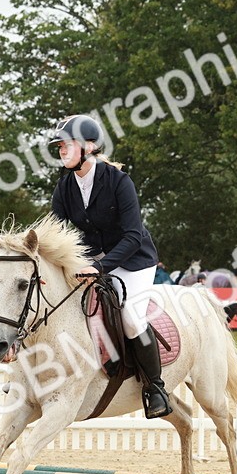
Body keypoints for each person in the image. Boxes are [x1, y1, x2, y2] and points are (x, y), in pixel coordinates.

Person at [49, 114, 170, 418]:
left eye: (66, 145)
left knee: (130, 317)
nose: (61, 150)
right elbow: (60, 235)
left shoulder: (119, 182)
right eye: (59, 146)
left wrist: (102, 268)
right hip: (90, 262)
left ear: (88, 147)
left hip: (133, 261)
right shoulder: (64, 188)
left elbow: (132, 235)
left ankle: (156, 388)